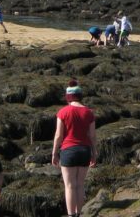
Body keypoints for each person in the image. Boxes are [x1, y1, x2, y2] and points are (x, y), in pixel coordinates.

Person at [52, 79, 97, 217]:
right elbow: (92, 136)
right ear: (80, 96)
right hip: (84, 151)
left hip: (68, 151)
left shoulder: (63, 112)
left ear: (68, 97)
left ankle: (71, 215)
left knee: (69, 185)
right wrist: (94, 153)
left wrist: (54, 153)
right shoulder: (89, 112)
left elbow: (58, 135)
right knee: (80, 184)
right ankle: (79, 213)